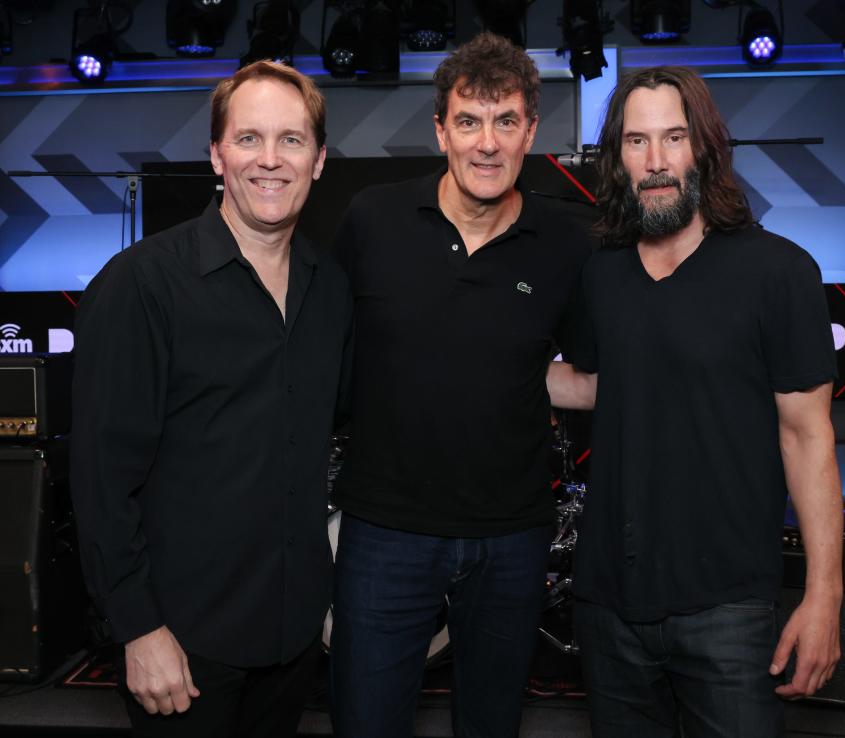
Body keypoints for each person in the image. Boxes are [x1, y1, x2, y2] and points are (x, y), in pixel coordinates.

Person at [547, 66, 843, 737]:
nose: (656, 162)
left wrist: (825, 595)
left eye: (673, 138)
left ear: (704, 148)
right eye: (636, 141)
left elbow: (808, 436)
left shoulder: (779, 272)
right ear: (617, 159)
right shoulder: (603, 274)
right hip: (608, 608)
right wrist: (483, 363)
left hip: (729, 613)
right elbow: (599, 384)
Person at [70, 60, 351, 738]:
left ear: (317, 161)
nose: (270, 159)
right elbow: (102, 479)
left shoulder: (330, 288)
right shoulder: (142, 285)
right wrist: (138, 628)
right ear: (217, 155)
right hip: (182, 647)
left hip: (290, 641)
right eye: (249, 138)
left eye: (291, 140)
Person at [329, 32, 593, 738]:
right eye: (469, 121)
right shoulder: (373, 220)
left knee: (492, 724)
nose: (487, 143)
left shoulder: (568, 243)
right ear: (440, 128)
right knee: (366, 723)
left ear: (531, 130)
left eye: (506, 121)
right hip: (384, 533)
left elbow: (584, 378)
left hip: (511, 538)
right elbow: (321, 350)